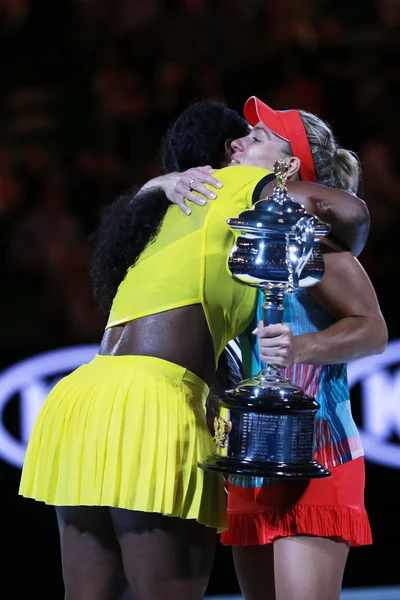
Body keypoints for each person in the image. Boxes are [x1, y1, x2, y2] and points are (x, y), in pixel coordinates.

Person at [18, 100, 287, 600]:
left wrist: (153, 184)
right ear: (234, 149)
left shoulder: (159, 208)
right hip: (153, 403)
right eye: (261, 137)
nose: (269, 145)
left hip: (82, 400)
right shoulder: (242, 184)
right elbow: (345, 210)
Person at [154, 97, 387, 600]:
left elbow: (373, 331)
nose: (237, 142)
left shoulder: (315, 241)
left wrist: (299, 347)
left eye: (257, 138)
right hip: (249, 454)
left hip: (319, 452)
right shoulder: (234, 239)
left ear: (286, 167)